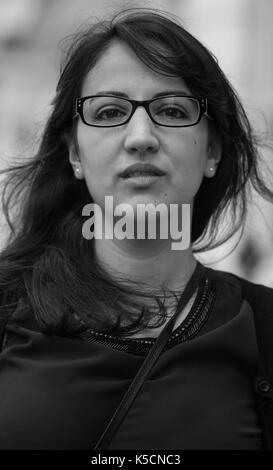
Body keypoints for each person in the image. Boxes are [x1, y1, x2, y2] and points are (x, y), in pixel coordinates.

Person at [0, 7, 273, 451]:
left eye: (170, 110)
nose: (141, 136)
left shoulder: (262, 327)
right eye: (109, 112)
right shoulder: (7, 308)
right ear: (74, 152)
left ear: (213, 151)